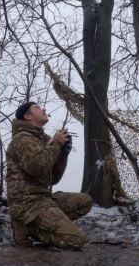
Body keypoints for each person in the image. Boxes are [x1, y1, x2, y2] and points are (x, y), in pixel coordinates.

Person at [5, 101, 92, 250]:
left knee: (85, 201)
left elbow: (54, 179)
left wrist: (63, 155)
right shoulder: (21, 139)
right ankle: (28, 227)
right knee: (76, 240)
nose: (43, 109)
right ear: (27, 116)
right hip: (27, 204)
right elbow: (38, 168)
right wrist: (56, 144)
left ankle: (40, 225)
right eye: (37, 108)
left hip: (43, 199)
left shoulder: (44, 140)